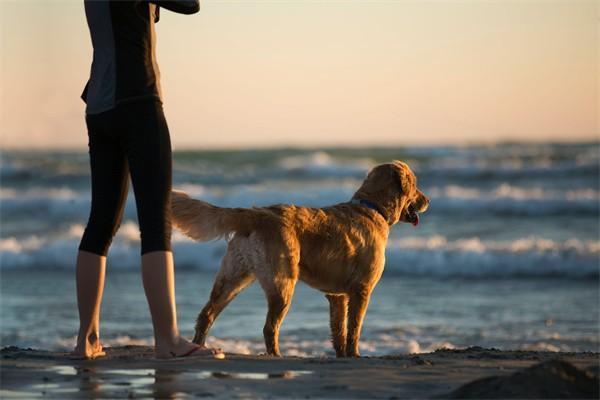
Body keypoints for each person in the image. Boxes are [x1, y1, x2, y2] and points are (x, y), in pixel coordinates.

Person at [74, 0, 222, 359]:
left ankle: (87, 340)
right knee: (155, 225)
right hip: (138, 100)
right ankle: (168, 340)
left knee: (101, 224)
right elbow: (190, 5)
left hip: (99, 106)